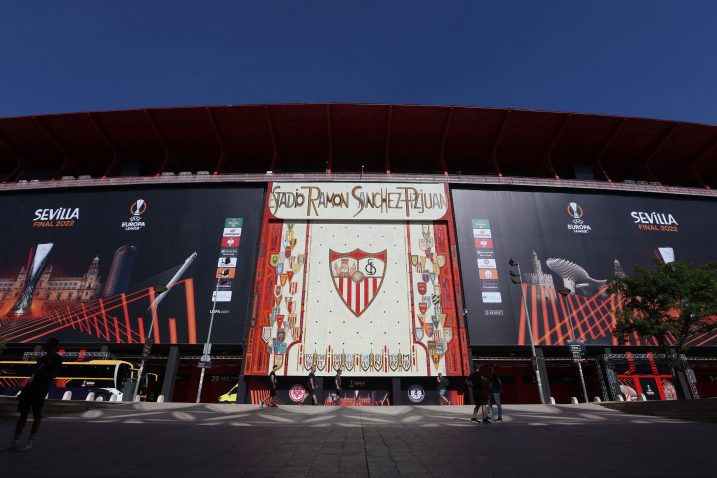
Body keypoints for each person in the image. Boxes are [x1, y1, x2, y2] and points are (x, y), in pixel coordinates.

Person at [9, 338, 63, 451]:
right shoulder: (41, 359)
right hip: (30, 388)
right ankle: (15, 440)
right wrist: (24, 390)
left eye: (49, 345)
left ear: (54, 346)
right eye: (47, 344)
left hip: (41, 389)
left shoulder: (57, 359)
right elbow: (33, 376)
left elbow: (53, 375)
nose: (46, 346)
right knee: (23, 414)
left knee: (36, 414)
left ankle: (30, 440)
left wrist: (40, 372)